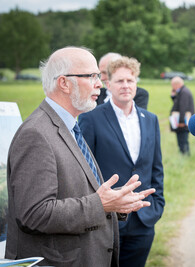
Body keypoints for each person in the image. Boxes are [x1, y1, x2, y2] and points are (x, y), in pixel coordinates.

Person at [5, 46, 155, 267]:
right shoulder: (36, 134)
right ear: (64, 83)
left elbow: (78, 191)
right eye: (91, 76)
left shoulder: (70, 126)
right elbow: (35, 214)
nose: (100, 84)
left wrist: (116, 202)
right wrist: (101, 204)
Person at [79, 56, 164, 267]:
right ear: (108, 85)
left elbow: (156, 168)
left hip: (144, 218)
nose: (125, 85)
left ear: (136, 83)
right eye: (119, 81)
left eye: (130, 80)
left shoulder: (150, 119)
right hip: (107, 220)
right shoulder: (91, 118)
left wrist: (157, 206)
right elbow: (83, 169)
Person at [169, 76, 195, 155]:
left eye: (172, 85)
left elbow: (183, 107)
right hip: (182, 122)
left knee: (183, 141)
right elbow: (178, 104)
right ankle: (183, 155)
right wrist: (173, 96)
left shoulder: (184, 92)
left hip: (183, 123)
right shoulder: (182, 91)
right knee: (181, 140)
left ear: (176, 84)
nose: (172, 87)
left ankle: (185, 156)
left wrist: (180, 122)